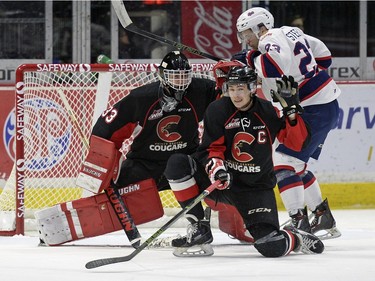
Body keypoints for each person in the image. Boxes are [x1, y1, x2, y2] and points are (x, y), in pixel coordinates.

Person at [35, 51, 221, 246]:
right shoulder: (142, 97)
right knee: (110, 202)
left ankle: (207, 226)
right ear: (162, 75)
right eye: (174, 75)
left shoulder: (201, 90)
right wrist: (107, 166)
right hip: (144, 165)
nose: (180, 81)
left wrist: (230, 70)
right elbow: (104, 129)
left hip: (185, 162)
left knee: (225, 178)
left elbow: (229, 96)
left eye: (184, 76)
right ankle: (55, 228)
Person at [164, 61, 324, 258]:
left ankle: (297, 238)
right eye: (231, 89)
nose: (236, 94)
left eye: (240, 88)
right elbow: (211, 148)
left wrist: (292, 113)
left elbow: (297, 144)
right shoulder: (218, 109)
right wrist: (217, 170)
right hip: (222, 182)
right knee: (177, 163)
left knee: (271, 246)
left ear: (251, 89)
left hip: (254, 188)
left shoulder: (267, 111)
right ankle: (199, 228)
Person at [233, 7, 341, 239]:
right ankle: (323, 217)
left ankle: (298, 223)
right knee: (296, 165)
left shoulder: (268, 38)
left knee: (282, 164)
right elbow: (324, 57)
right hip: (320, 105)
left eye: (246, 34)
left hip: (314, 109)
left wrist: (251, 59)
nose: (245, 40)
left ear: (258, 27)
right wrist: (306, 78)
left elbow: (274, 66)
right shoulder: (291, 32)